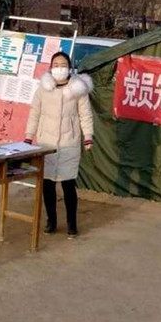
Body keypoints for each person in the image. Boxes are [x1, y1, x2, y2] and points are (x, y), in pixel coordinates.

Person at [24, 51, 93, 238]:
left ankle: (72, 224)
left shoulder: (78, 89)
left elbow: (85, 114)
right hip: (46, 143)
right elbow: (35, 112)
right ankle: (51, 221)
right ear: (50, 67)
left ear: (69, 67)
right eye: (56, 65)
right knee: (47, 184)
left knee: (68, 184)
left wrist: (88, 136)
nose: (59, 68)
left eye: (63, 65)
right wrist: (29, 136)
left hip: (69, 142)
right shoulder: (43, 88)